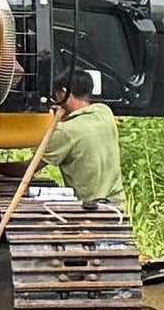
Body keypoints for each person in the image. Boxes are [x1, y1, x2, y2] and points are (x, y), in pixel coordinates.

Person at [35, 73, 123, 209]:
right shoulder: (104, 112)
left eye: (57, 95)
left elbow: (29, 168)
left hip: (89, 208)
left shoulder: (65, 132)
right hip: (116, 204)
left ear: (64, 92)